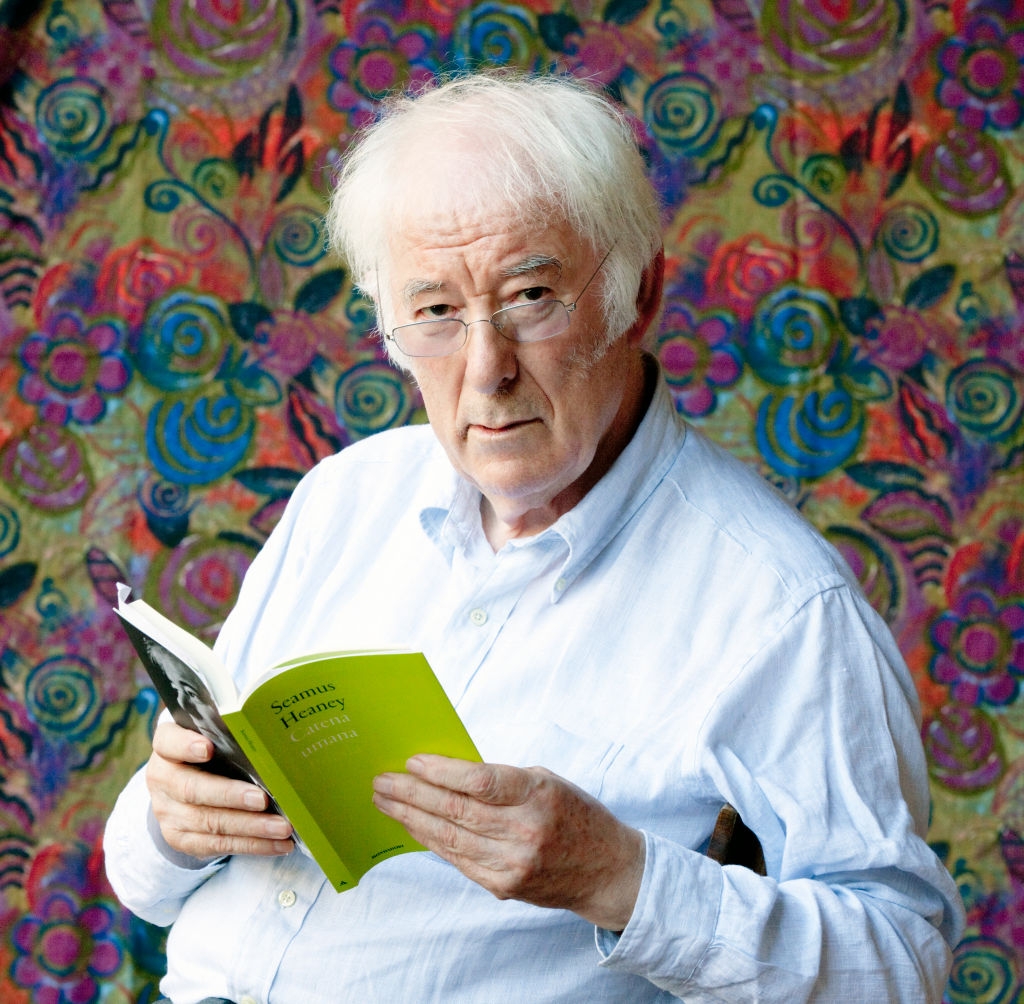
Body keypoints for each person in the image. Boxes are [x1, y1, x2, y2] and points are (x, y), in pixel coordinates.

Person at [104, 71, 964, 1003]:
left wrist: (620, 879)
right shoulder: (345, 498)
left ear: (638, 295)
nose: (485, 371)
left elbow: (904, 962)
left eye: (529, 297)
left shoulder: (780, 603)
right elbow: (144, 888)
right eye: (435, 311)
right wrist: (170, 820)